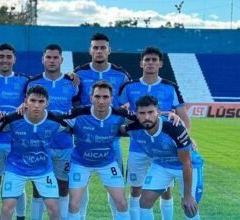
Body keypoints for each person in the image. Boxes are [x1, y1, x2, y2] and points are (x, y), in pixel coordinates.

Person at [119, 47, 191, 220]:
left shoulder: (170, 87)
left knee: (166, 190)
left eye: (154, 60)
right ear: (141, 63)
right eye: (147, 60)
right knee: (135, 189)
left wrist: (186, 140)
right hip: (138, 147)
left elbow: (184, 119)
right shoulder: (129, 87)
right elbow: (119, 113)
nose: (150, 63)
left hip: (165, 148)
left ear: (160, 64)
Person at [73, 32, 131, 218]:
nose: (99, 51)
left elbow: (128, 104)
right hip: (83, 138)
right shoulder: (79, 73)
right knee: (79, 189)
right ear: (90, 50)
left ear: (109, 50)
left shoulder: (121, 75)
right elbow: (73, 102)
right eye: (95, 47)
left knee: (117, 191)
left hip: (111, 138)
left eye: (102, 47)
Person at [122, 95, 202, 220]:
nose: (147, 117)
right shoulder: (134, 127)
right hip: (161, 164)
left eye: (151, 112)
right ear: (136, 114)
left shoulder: (174, 128)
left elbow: (186, 163)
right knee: (144, 202)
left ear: (158, 112)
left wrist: (187, 196)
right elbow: (112, 123)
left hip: (187, 166)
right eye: (142, 113)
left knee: (190, 209)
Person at [64, 80, 131, 220]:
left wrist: (169, 115)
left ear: (111, 99)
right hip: (80, 163)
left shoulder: (120, 115)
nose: (101, 101)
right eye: (97, 97)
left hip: (107, 163)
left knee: (122, 203)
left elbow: (147, 117)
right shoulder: (78, 114)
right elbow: (52, 118)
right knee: (73, 204)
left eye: (105, 97)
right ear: (91, 98)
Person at [25, 44, 78, 220]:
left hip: (64, 144)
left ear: (62, 60)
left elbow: (76, 109)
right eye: (48, 57)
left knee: (63, 186)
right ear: (43, 59)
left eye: (56, 57)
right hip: (39, 144)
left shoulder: (72, 83)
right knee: (38, 188)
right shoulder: (33, 82)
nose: (52, 60)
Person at [0, 85, 66, 220]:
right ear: (25, 101)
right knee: (7, 207)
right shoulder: (13, 119)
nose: (36, 105)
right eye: (32, 101)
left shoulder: (57, 120)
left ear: (47, 103)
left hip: (43, 170)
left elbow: (78, 124)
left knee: (54, 208)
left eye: (41, 102)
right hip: (16, 168)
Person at [0, 43, 30, 220]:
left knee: (17, 182)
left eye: (8, 57)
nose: (5, 60)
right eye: (1, 56)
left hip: (16, 141)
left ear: (14, 59)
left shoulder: (24, 80)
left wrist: (25, 104)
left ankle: (20, 217)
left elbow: (35, 101)